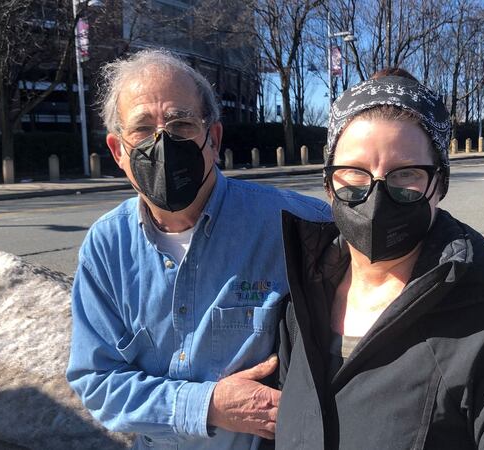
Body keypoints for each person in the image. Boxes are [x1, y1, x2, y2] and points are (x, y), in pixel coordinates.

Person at [273, 68, 484, 449]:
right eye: (355, 173)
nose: (376, 197)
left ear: (439, 184)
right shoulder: (301, 308)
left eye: (405, 174)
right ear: (329, 183)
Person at [65, 49, 331, 450]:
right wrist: (208, 405)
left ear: (214, 139)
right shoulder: (107, 246)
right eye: (142, 130)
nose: (162, 142)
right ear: (118, 151)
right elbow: (97, 380)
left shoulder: (298, 225)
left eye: (181, 123)